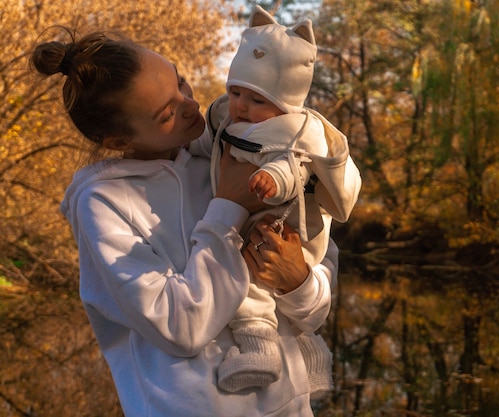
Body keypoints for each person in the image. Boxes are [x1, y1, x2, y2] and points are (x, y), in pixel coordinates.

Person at [30, 28, 338, 417]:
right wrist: (228, 208)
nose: (190, 106)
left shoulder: (235, 150)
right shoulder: (102, 204)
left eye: (180, 82)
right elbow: (180, 327)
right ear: (117, 141)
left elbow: (315, 305)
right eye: (166, 113)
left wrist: (299, 281)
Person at [190, 5, 361, 397]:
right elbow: (207, 144)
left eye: (257, 99)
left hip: (282, 223)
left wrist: (273, 179)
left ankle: (259, 349)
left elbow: (294, 169)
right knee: (252, 280)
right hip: (251, 224)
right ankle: (309, 354)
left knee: (250, 282)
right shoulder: (227, 119)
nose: (242, 106)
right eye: (235, 93)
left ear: (285, 104)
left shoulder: (294, 132)